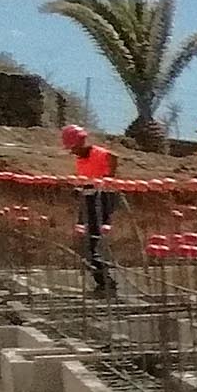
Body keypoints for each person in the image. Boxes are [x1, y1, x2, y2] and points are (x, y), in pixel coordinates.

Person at [63, 122, 120, 297]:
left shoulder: (97, 153)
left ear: (80, 142)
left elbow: (114, 157)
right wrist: (80, 188)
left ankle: (106, 283)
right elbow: (87, 180)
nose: (73, 152)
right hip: (89, 199)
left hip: (102, 199)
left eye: (74, 147)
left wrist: (108, 178)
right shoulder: (80, 159)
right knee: (84, 243)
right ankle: (103, 278)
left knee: (89, 245)